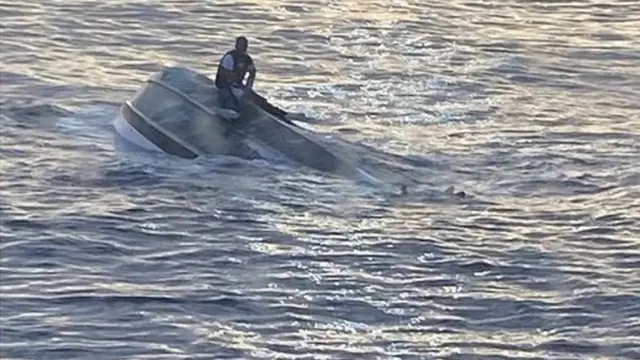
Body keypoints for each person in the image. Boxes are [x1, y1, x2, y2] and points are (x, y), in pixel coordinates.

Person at [214, 36, 307, 123]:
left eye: (245, 46)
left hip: (238, 85)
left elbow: (252, 73)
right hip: (224, 84)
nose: (243, 48)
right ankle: (229, 111)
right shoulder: (229, 57)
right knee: (229, 98)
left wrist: (248, 87)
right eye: (241, 46)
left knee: (259, 100)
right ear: (236, 46)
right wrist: (239, 90)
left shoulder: (247, 59)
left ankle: (283, 114)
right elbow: (226, 75)